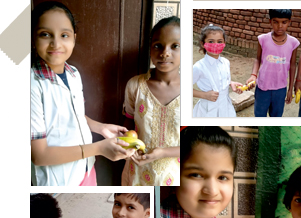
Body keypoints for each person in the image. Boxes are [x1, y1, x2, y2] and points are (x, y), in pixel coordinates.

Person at [31, 1, 135, 186]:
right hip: (59, 182)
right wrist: (99, 148)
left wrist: (100, 127)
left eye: (64, 35)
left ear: (74, 38)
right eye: (45, 34)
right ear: (32, 39)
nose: (56, 43)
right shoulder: (32, 84)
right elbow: (39, 155)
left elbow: (73, 115)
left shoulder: (73, 74)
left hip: (86, 170)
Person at [122, 17, 181, 186]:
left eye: (175, 46)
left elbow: (197, 146)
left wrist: (163, 152)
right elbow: (128, 123)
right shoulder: (135, 86)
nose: (165, 53)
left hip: (176, 178)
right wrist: (128, 147)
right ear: (149, 48)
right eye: (158, 45)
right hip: (137, 173)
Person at [247, 9, 300, 117]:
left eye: (284, 22)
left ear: (289, 22)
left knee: (276, 118)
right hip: (262, 87)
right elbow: (257, 59)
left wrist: (290, 89)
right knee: (259, 116)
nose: (280, 26)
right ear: (270, 21)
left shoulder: (293, 42)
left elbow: (293, 65)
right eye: (276, 22)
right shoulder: (263, 39)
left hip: (280, 89)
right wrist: (253, 75)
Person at [193, 24, 244, 117]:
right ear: (202, 43)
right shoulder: (198, 67)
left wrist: (231, 83)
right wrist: (204, 95)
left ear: (224, 43)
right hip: (207, 111)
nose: (215, 45)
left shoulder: (225, 62)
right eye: (211, 41)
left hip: (226, 108)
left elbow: (221, 80)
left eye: (219, 41)